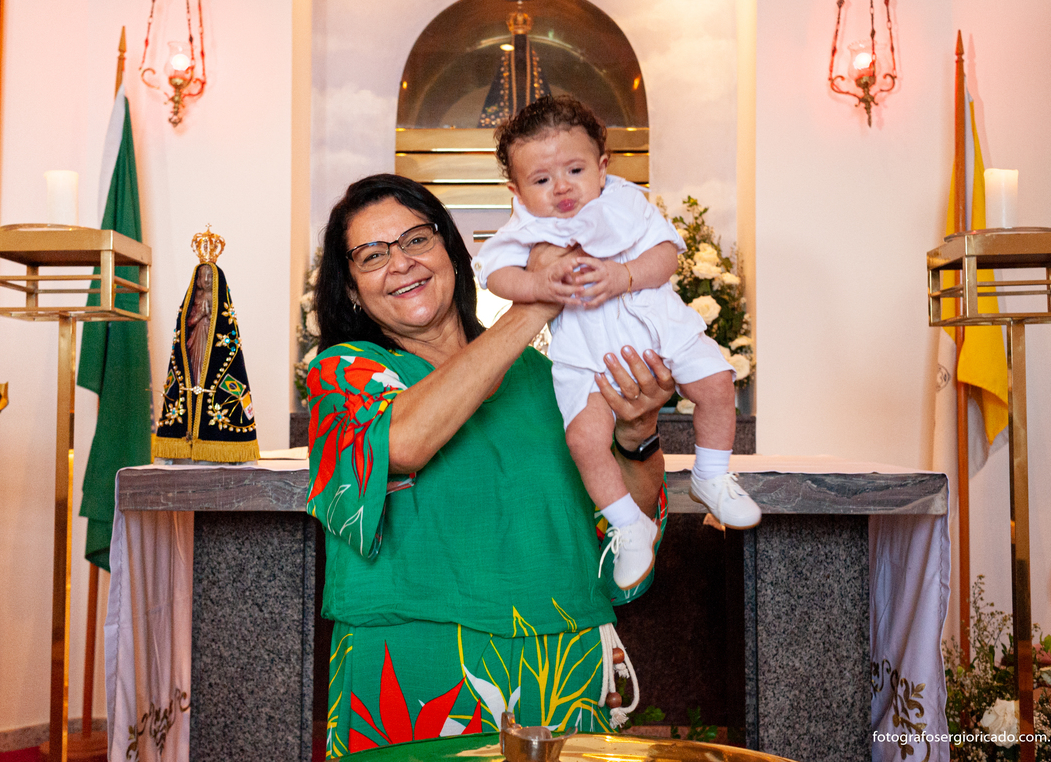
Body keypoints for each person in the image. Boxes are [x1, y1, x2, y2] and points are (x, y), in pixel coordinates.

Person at [305, 174, 674, 757]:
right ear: (352, 289)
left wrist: (637, 434)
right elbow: (401, 443)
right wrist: (536, 303)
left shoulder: (549, 377)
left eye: (416, 240)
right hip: (417, 669)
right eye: (373, 256)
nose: (400, 264)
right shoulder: (345, 372)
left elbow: (625, 520)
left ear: (452, 253)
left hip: (563, 667)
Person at [474, 96, 761, 591]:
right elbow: (496, 274)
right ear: (516, 191)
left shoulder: (626, 202)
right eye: (541, 181)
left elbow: (667, 254)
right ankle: (629, 525)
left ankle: (711, 475)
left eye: (575, 169)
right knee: (583, 440)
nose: (561, 187)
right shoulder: (527, 227)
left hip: (653, 326)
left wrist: (625, 274)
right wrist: (540, 285)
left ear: (603, 167)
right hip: (586, 352)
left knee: (717, 382)